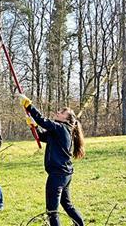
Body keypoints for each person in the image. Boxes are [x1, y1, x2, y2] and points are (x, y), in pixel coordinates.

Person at [17, 94, 86, 226]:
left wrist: (29, 105)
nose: (57, 112)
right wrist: (34, 127)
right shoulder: (61, 130)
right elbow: (43, 137)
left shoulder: (60, 128)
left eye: (61, 112)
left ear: (66, 118)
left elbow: (43, 120)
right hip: (64, 174)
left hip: (57, 175)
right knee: (67, 205)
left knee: (52, 211)